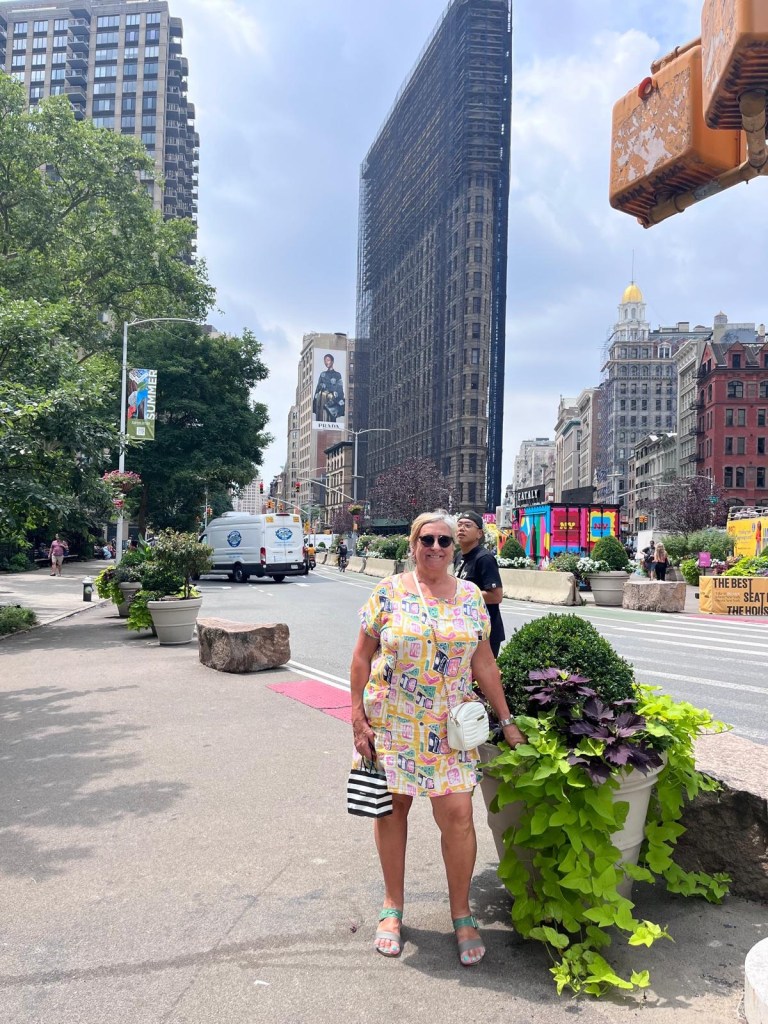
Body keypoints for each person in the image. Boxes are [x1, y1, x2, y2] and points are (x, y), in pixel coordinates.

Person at [350, 510, 525, 966]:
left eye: (444, 541)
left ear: (453, 548)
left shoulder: (470, 596)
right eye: (426, 539)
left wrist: (507, 720)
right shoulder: (388, 592)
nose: (435, 547)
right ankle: (392, 907)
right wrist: (357, 718)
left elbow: (484, 663)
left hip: (450, 729)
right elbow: (361, 658)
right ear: (413, 545)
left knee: (459, 815)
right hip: (393, 723)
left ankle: (462, 914)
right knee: (393, 810)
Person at [454, 511, 506, 658]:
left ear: (479, 533)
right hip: (464, 629)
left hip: (485, 632)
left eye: (467, 525)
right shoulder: (459, 556)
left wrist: (461, 594)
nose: (462, 528)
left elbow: (496, 596)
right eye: (459, 525)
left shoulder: (484, 558)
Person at [313, 353, 345, 423]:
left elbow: (340, 388)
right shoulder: (323, 374)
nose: (326, 362)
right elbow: (318, 388)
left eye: (328, 360)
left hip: (332, 400)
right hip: (322, 400)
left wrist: (339, 398)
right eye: (325, 360)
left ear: (332, 361)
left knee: (331, 418)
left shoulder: (337, 375)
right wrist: (321, 387)